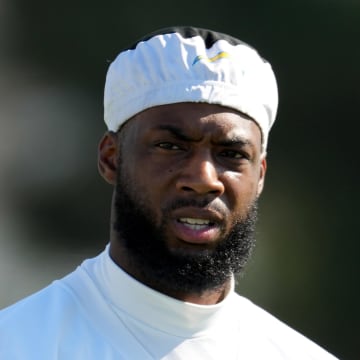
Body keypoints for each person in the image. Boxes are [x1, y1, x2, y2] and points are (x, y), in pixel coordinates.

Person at [0, 26, 337, 359]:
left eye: (231, 154)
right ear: (110, 158)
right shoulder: (19, 343)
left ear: (259, 175)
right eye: (170, 146)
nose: (204, 178)